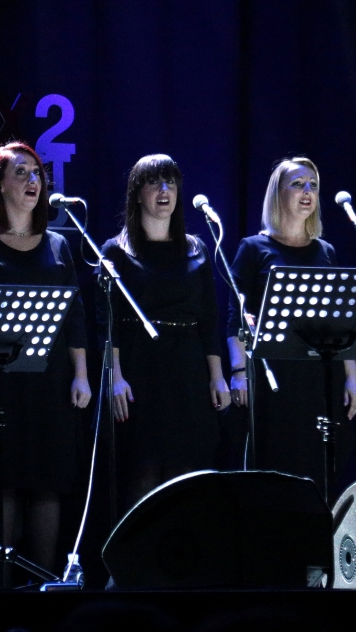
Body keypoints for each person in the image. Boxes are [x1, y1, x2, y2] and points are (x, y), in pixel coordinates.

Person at [0, 141, 91, 571]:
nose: (33, 181)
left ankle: (46, 582)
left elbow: (75, 316)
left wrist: (82, 375)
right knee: (5, 482)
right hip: (0, 381)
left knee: (49, 483)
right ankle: (0, 586)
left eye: (37, 173)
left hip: (51, 380)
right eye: (21, 173)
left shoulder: (58, 245)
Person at [103, 154, 231, 509]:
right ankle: (135, 561)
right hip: (140, 367)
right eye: (154, 182)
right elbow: (107, 321)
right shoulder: (116, 250)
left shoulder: (197, 248)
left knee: (188, 472)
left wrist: (217, 377)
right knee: (143, 470)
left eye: (171, 182)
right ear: (137, 193)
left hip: (188, 370)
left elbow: (209, 318)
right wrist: (115, 376)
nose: (164, 190)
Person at [227, 157, 356, 484]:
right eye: (297, 184)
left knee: (323, 468)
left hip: (320, 378)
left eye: (313, 185)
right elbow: (235, 319)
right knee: (275, 471)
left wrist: (353, 376)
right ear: (278, 193)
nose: (307, 191)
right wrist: (239, 372)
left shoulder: (326, 252)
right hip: (274, 381)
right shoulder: (253, 248)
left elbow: (341, 321)